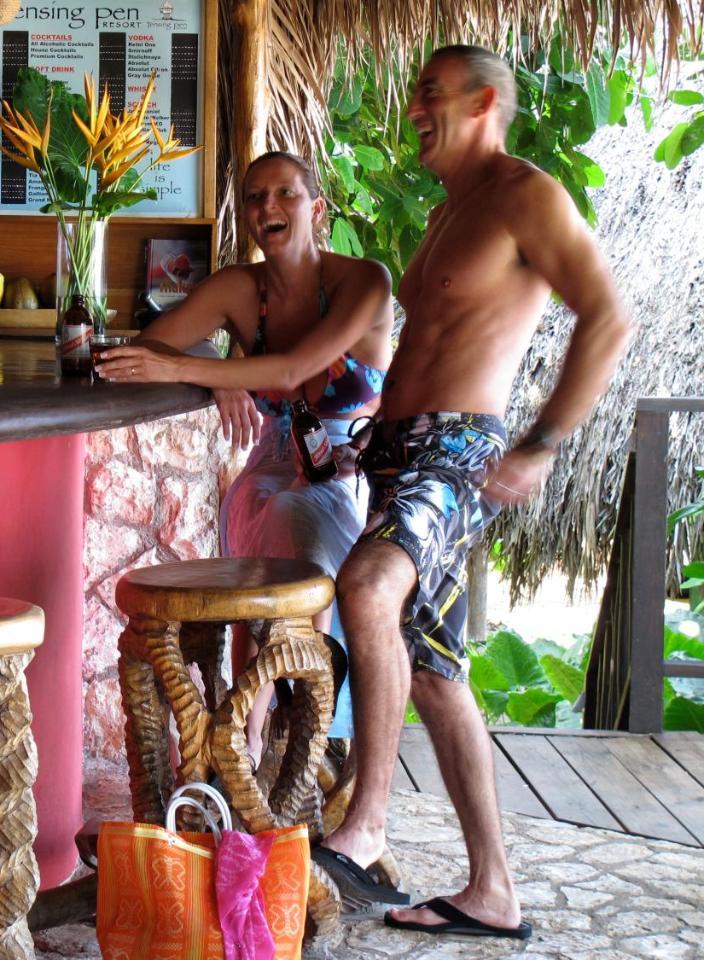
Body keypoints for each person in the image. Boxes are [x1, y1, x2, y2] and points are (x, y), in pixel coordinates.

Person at [310, 46, 630, 941]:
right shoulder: (453, 210)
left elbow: (610, 315)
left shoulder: (527, 194)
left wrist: (541, 445)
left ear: (487, 102)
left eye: (431, 94)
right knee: (436, 673)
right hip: (403, 453)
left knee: (369, 586)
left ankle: (367, 825)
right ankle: (493, 890)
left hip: (459, 450)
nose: (414, 107)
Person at [94, 151, 394, 763]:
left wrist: (205, 366)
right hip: (270, 464)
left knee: (293, 523)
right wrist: (218, 371)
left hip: (347, 470)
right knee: (263, 511)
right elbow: (154, 340)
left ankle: (312, 724)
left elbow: (292, 368)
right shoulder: (240, 289)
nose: (268, 208)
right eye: (256, 197)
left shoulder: (364, 282)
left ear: (317, 209)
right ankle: (247, 739)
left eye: (284, 194)